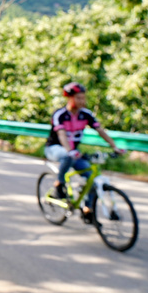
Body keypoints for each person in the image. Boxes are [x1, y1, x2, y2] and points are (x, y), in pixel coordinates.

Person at [45, 82, 125, 222]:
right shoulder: (60, 114)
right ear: (70, 98)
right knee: (66, 156)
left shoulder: (86, 114)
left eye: (83, 98)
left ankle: (87, 208)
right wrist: (69, 151)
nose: (82, 101)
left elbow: (100, 131)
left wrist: (114, 147)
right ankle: (59, 183)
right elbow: (62, 135)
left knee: (94, 179)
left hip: (74, 152)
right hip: (55, 149)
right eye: (79, 98)